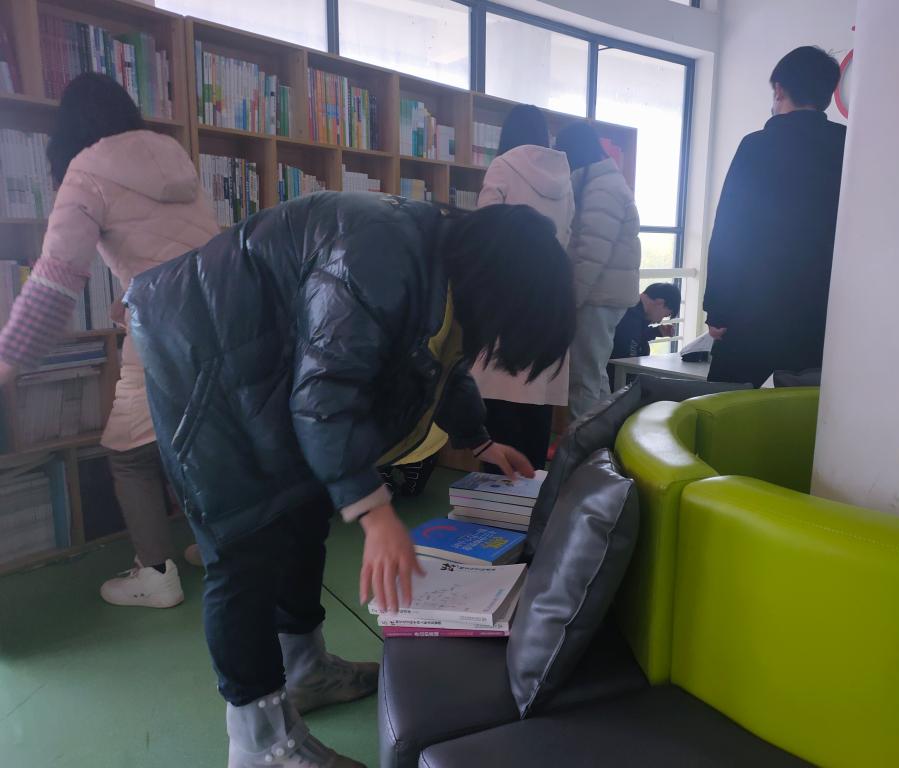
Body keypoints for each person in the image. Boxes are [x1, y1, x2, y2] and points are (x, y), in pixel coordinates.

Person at [125, 193, 575, 768]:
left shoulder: (447, 267)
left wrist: (479, 440)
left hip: (260, 356)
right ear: (500, 288)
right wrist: (375, 513)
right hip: (199, 352)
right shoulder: (377, 254)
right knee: (241, 547)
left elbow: (441, 364)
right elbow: (325, 397)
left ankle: (304, 670)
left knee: (304, 513)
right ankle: (259, 742)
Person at [0, 73, 219, 608]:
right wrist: (131, 296)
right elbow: (190, 252)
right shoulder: (175, 157)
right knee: (202, 442)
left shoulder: (86, 172)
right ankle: (221, 548)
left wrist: (8, 359)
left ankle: (156, 574)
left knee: (128, 452)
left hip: (163, 338)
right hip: (220, 323)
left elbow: (54, 282)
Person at [703, 46, 846, 386]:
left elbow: (731, 230)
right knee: (803, 406)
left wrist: (718, 307)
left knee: (728, 402)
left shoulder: (758, 146)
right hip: (824, 311)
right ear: (827, 94)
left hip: (755, 306)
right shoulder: (849, 146)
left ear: (779, 90)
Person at [471, 104, 574, 470]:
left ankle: (495, 497)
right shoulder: (564, 178)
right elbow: (567, 236)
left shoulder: (503, 166)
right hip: (550, 302)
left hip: (507, 300)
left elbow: (485, 232)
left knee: (498, 408)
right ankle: (533, 494)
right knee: (536, 408)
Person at [554, 122, 641, 422]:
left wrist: (572, 299)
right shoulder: (602, 181)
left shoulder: (602, 187)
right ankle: (602, 441)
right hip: (603, 295)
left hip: (597, 296)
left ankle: (582, 447)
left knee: (583, 380)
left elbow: (592, 252)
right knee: (594, 375)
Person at [609, 282, 682, 373]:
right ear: (660, 302)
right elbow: (627, 355)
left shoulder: (634, 312)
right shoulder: (628, 316)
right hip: (617, 377)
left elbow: (635, 335)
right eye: (664, 315)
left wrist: (656, 331)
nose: (660, 321)